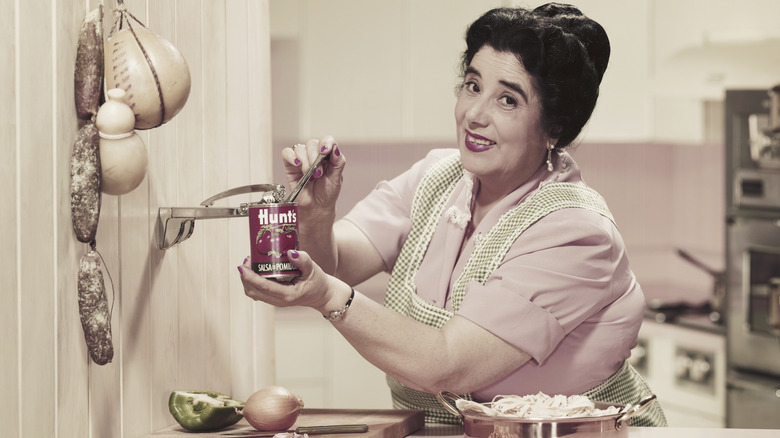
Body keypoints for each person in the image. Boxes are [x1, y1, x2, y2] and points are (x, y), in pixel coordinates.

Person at [238, 3, 666, 427]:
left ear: (553, 128)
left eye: (508, 100)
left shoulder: (575, 232)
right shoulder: (436, 177)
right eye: (473, 85)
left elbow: (449, 363)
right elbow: (335, 264)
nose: (475, 115)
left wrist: (327, 296)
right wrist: (317, 213)